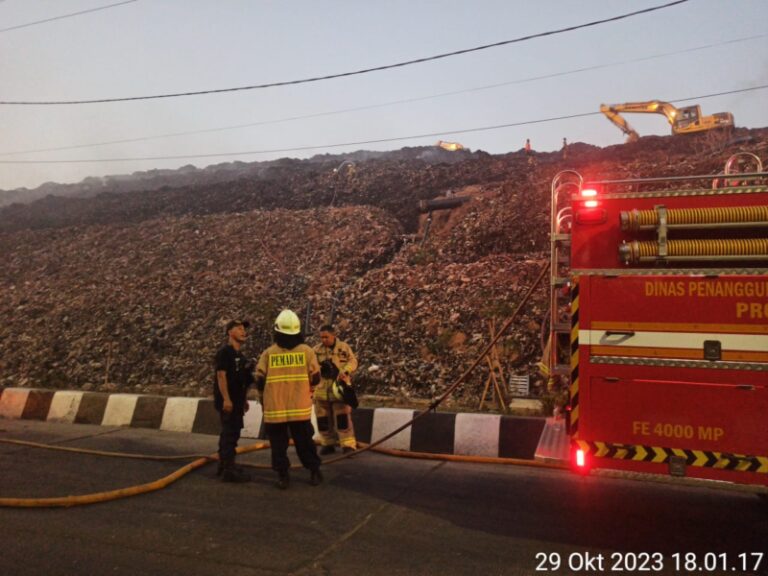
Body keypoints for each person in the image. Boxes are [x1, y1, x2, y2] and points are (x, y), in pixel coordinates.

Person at [255, 309, 322, 489]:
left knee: (278, 446)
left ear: (277, 331)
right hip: (299, 409)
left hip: (275, 410)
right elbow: (315, 377)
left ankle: (283, 476)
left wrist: (263, 401)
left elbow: (259, 380)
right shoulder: (307, 352)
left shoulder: (269, 353)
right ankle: (314, 470)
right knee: (305, 443)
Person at [214, 319, 253, 483]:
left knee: (232, 433)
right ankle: (228, 470)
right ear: (230, 332)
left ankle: (225, 465)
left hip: (237, 401)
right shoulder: (225, 352)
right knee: (229, 434)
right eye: (238, 328)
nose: (243, 331)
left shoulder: (241, 356)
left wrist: (243, 400)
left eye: (244, 329)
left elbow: (243, 381)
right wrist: (226, 399)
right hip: (228, 401)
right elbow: (221, 376)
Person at [313, 325, 359, 455]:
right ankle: (328, 444)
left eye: (326, 337)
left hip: (339, 391)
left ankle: (348, 445)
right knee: (323, 420)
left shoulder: (343, 348)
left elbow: (353, 361)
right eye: (321, 337)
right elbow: (310, 366)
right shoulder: (316, 350)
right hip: (321, 392)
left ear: (333, 335)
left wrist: (345, 371)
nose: (323, 340)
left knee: (342, 420)